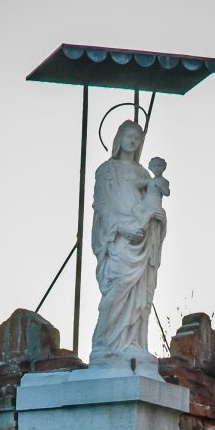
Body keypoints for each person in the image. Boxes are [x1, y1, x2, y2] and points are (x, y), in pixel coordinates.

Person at [89, 121, 168, 366]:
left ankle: (132, 343)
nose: (133, 141)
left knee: (140, 292)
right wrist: (123, 227)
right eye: (130, 136)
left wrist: (157, 219)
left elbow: (153, 200)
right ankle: (103, 344)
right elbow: (102, 206)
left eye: (138, 138)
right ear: (119, 138)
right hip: (121, 238)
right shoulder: (106, 171)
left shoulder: (144, 174)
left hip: (143, 239)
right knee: (119, 285)